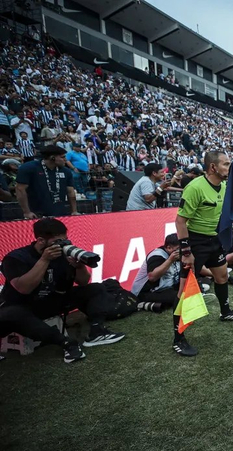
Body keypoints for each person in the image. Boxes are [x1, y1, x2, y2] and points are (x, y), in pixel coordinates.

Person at [0, 218, 125, 364]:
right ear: (40, 240)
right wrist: (44, 260)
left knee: (96, 288)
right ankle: (65, 343)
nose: (62, 245)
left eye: (65, 240)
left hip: (53, 300)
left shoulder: (62, 255)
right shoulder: (16, 258)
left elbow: (84, 281)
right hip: (24, 306)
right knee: (12, 314)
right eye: (58, 241)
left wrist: (79, 266)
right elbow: (24, 288)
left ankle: (97, 331)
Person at [173, 151, 233, 357]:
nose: (229, 168)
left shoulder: (224, 187)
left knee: (222, 276)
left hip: (214, 240)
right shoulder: (195, 187)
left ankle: (225, 312)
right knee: (185, 289)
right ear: (213, 167)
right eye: (226, 164)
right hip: (195, 242)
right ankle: (178, 338)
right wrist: (186, 251)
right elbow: (180, 221)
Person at [15, 145, 79, 219]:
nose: (65, 159)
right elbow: (20, 189)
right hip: (36, 214)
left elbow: (70, 192)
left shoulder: (66, 171)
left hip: (60, 213)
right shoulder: (29, 168)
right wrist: (27, 212)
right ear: (52, 158)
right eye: (63, 157)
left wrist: (74, 211)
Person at [131, 233, 181, 310]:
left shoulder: (179, 254)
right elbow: (152, 277)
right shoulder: (157, 255)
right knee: (179, 296)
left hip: (165, 287)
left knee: (189, 289)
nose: (181, 251)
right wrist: (170, 260)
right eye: (178, 249)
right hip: (146, 291)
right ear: (169, 248)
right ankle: (143, 303)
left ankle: (156, 304)